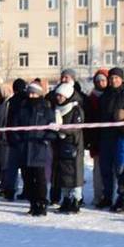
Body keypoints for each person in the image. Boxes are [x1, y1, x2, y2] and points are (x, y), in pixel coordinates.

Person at [96, 67, 124, 212]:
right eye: (111, 78)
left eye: (116, 78)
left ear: (121, 79)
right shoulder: (104, 96)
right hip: (105, 136)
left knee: (121, 169)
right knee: (105, 169)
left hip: (121, 137)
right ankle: (107, 197)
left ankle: (122, 198)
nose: (113, 80)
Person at [12, 80, 54, 216]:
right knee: (27, 178)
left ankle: (41, 203)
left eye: (34, 94)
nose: (31, 96)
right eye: (29, 93)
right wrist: (18, 141)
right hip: (24, 149)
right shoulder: (22, 109)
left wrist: (45, 139)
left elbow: (52, 129)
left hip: (39, 149)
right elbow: (14, 127)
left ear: (39, 95)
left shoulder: (46, 110)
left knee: (40, 178)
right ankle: (32, 203)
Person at [52, 80, 85, 214]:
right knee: (62, 175)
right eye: (57, 95)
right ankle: (66, 200)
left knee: (75, 174)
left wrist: (61, 129)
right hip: (60, 146)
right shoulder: (56, 109)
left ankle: (76, 200)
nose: (58, 98)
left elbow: (76, 128)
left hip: (74, 146)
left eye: (61, 96)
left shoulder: (76, 109)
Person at [84, 70, 109, 206]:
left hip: (111, 137)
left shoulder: (112, 95)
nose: (101, 83)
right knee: (98, 169)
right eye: (98, 81)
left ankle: (109, 195)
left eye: (103, 80)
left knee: (112, 169)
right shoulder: (91, 98)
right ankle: (98, 195)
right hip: (96, 138)